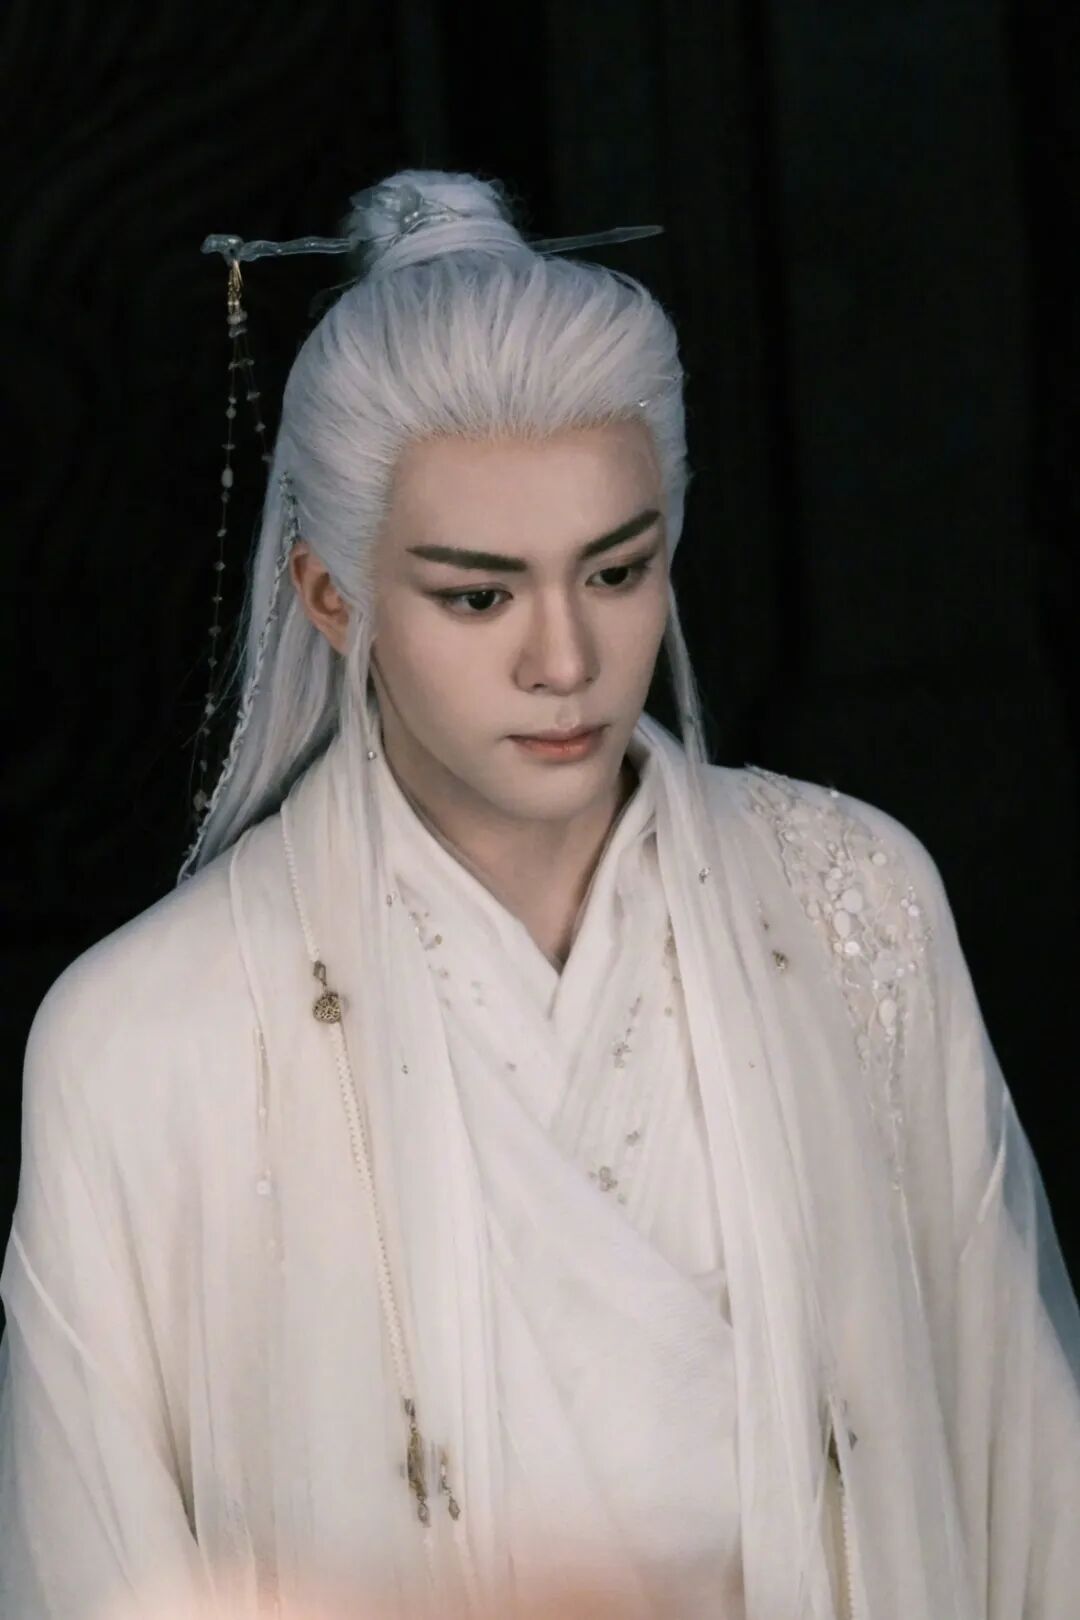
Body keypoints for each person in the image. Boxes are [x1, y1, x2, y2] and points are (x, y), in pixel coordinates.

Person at [1, 168, 1078, 1620]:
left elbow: (1023, 1476)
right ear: (330, 595)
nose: (564, 660)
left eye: (616, 573)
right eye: (478, 595)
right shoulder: (139, 1039)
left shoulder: (857, 904)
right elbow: (99, 1571)